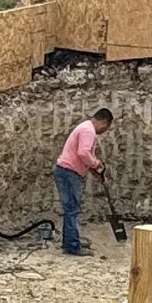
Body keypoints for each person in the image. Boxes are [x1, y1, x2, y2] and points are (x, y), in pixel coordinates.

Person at [55, 108, 113, 256]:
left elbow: (85, 157)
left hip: (66, 171)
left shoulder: (85, 127)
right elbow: (84, 153)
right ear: (104, 122)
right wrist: (97, 165)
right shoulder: (89, 131)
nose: (104, 131)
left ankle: (70, 240)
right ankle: (73, 246)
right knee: (72, 209)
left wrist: (98, 174)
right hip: (69, 173)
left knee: (71, 208)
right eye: (106, 128)